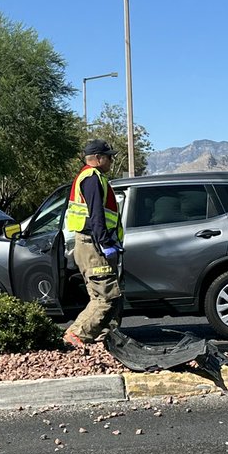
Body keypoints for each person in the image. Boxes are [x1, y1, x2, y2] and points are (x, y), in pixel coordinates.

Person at [63, 139, 124, 346]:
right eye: (109, 157)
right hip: (92, 244)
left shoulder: (93, 177)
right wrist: (105, 243)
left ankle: (102, 340)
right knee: (105, 297)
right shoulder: (91, 178)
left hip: (92, 243)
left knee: (105, 295)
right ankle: (76, 334)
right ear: (98, 159)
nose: (111, 161)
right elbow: (96, 215)